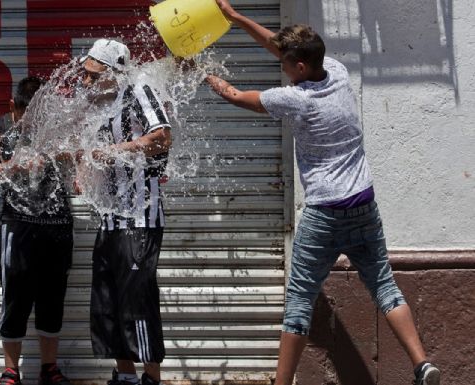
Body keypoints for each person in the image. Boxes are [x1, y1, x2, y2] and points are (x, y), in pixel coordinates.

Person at [205, 2, 440, 385]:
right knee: (384, 284)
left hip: (324, 213)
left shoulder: (295, 99)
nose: (281, 65)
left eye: (286, 63)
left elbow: (235, 95)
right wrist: (237, 18)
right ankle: (421, 364)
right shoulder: (337, 71)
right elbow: (282, 48)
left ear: (299, 68)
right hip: (362, 201)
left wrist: (203, 74)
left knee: (299, 300)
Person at [76, 38, 172, 385]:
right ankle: (126, 376)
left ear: (113, 71)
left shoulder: (139, 90)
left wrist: (115, 150)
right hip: (112, 218)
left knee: (136, 301)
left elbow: (161, 137)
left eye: (91, 75)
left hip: (140, 219)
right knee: (107, 301)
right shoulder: (104, 105)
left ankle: (151, 378)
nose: (85, 82)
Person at [0, 77, 74, 385]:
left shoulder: (59, 129)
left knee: (52, 299)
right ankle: (10, 369)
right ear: (13, 107)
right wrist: (13, 167)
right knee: (15, 299)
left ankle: (49, 367)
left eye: (40, 115)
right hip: (18, 227)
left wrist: (65, 157)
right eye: (26, 114)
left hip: (57, 225)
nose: (32, 121)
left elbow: (81, 165)